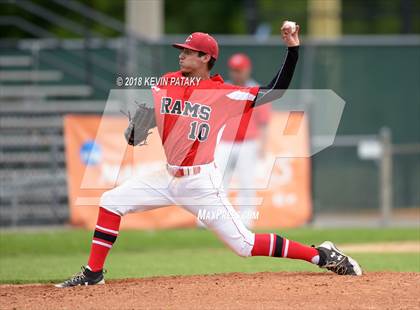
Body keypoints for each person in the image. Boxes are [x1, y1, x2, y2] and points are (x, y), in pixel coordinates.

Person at [56, 22, 362, 288]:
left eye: (189, 51)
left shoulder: (224, 94)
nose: (182, 54)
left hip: (200, 182)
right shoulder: (165, 83)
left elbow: (275, 91)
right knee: (111, 202)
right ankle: (93, 273)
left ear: (206, 58)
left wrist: (292, 48)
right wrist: (140, 127)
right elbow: (152, 117)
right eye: (182, 50)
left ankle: (322, 255)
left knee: (244, 245)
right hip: (167, 176)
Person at [215, 53, 271, 228]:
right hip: (224, 142)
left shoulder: (257, 90)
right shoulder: (224, 89)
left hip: (248, 143)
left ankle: (246, 221)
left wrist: (264, 145)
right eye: (233, 70)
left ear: (247, 69)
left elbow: (264, 122)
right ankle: (212, 219)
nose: (236, 73)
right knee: (216, 181)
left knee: (246, 183)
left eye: (239, 70)